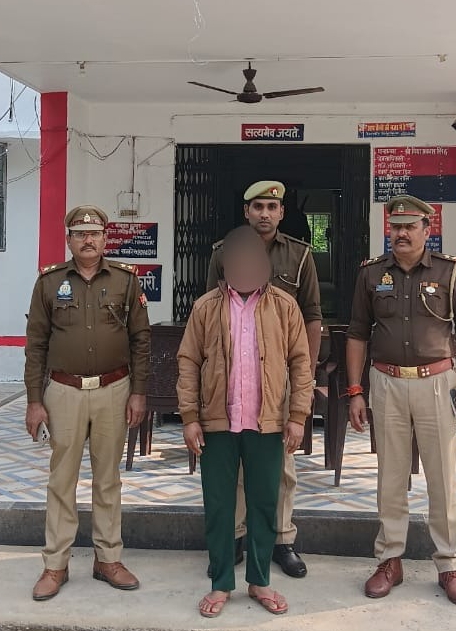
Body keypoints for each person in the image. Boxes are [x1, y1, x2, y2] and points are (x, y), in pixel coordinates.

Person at [345, 194, 456, 606]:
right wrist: (355, 391)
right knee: (390, 476)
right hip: (386, 383)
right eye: (395, 227)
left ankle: (449, 564)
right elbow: (357, 334)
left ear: (428, 230)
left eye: (410, 227)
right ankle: (389, 560)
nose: (401, 234)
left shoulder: (450, 271)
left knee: (442, 477)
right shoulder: (371, 274)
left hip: (437, 384)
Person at [177, 225, 314, 619]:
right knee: (220, 505)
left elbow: (301, 363)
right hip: (217, 424)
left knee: (264, 503)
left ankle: (259, 580)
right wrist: (189, 417)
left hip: (267, 424)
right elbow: (188, 362)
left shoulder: (285, 306)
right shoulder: (205, 307)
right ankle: (221, 582)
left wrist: (297, 417)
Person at [23, 205, 151, 601]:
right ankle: (55, 565)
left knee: (107, 479)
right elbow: (35, 345)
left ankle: (108, 559)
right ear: (69, 240)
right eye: (80, 234)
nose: (88, 240)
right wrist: (34, 401)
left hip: (115, 389)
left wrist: (139, 392)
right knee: (62, 479)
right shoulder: (49, 282)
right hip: (63, 392)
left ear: (105, 238)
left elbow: (141, 340)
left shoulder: (126, 280)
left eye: (95, 233)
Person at [205, 180, 322, 578]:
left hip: (279, 377)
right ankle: (237, 536)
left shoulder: (299, 256)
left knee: (281, 463)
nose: (265, 214)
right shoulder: (223, 253)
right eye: (257, 206)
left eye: (272, 207)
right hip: (233, 374)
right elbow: (210, 312)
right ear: (246, 212)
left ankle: (281, 539)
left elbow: (312, 316)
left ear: (282, 213)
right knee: (236, 459)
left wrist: (304, 379)